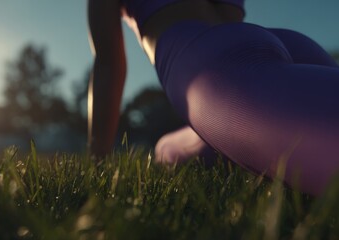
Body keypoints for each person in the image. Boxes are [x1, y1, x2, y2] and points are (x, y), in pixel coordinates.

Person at [86, 0, 339, 196]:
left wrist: (97, 160)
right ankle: (168, 148)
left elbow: (109, 65)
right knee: (170, 151)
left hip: (220, 68)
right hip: (285, 46)